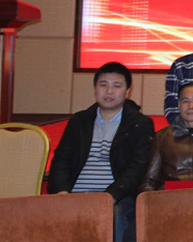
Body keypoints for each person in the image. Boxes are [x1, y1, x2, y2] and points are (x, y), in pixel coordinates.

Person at [48, 62, 154, 242]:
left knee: (116, 214)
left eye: (117, 86)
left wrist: (111, 196)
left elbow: (137, 167)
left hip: (117, 197)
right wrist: (61, 192)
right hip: (74, 193)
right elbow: (61, 160)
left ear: (128, 91)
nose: (109, 91)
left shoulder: (140, 124)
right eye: (103, 85)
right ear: (95, 88)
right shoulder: (79, 121)